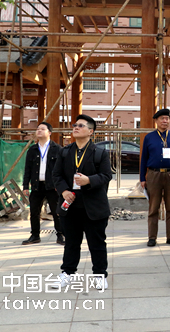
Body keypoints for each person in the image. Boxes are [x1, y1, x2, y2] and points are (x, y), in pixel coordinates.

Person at [52, 114, 112, 289]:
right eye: (75, 125)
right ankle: (67, 273)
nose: (76, 128)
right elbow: (56, 175)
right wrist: (64, 191)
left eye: (80, 125)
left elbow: (106, 175)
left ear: (91, 131)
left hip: (93, 206)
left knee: (97, 243)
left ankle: (100, 274)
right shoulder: (65, 152)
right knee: (71, 242)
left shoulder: (100, 153)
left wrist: (89, 180)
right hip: (70, 205)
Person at [140, 108, 170, 247]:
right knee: (154, 208)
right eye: (162, 118)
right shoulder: (149, 137)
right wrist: (142, 178)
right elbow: (144, 158)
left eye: (167, 118)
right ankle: (152, 237)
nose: (165, 121)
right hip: (154, 175)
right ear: (156, 121)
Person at [22, 122, 64, 246]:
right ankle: (35, 235)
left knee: (57, 211)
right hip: (36, 185)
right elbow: (27, 169)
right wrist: (25, 186)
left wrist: (60, 185)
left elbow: (62, 169)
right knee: (34, 211)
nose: (39, 131)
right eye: (38, 129)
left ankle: (61, 235)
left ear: (49, 132)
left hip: (52, 186)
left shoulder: (57, 149)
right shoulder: (32, 149)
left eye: (42, 129)